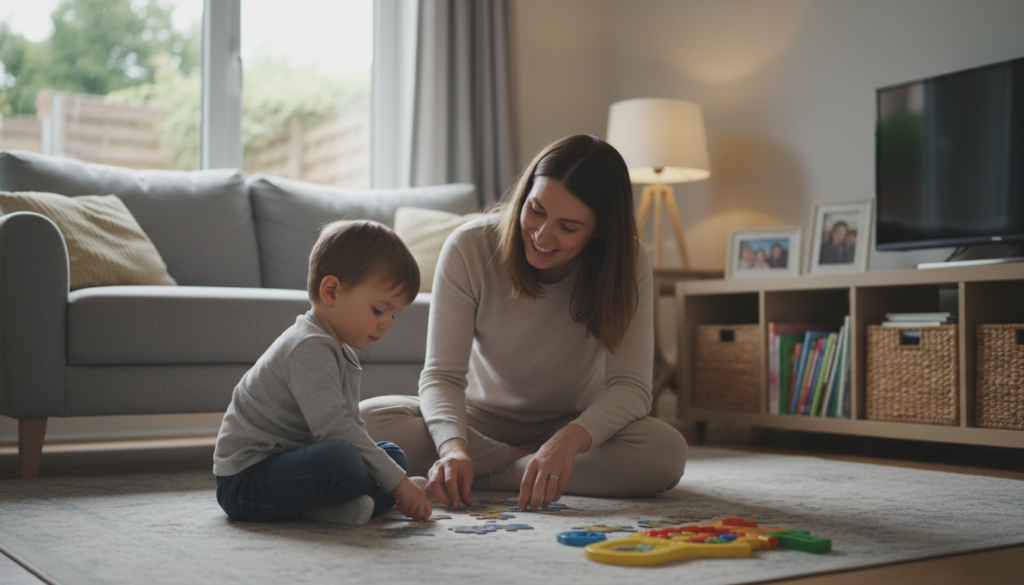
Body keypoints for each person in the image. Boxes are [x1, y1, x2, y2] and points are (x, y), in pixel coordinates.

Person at [361, 134, 687, 513]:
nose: (542, 235)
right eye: (536, 210)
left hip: (576, 426)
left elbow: (630, 388)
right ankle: (523, 467)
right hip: (478, 424)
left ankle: (495, 476)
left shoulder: (628, 262)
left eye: (568, 227)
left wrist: (566, 443)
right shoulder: (469, 246)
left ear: (600, 229)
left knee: (665, 452)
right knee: (368, 421)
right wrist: (453, 449)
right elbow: (442, 377)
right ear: (525, 195)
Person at [213, 220, 432, 525]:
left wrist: (393, 474)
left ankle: (331, 507)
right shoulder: (308, 346)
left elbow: (352, 424)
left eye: (393, 316)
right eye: (379, 311)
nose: (386, 325)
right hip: (245, 483)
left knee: (392, 454)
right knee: (340, 460)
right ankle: (375, 497)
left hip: (293, 467)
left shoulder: (340, 350)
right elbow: (335, 430)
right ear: (331, 291)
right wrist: (398, 483)